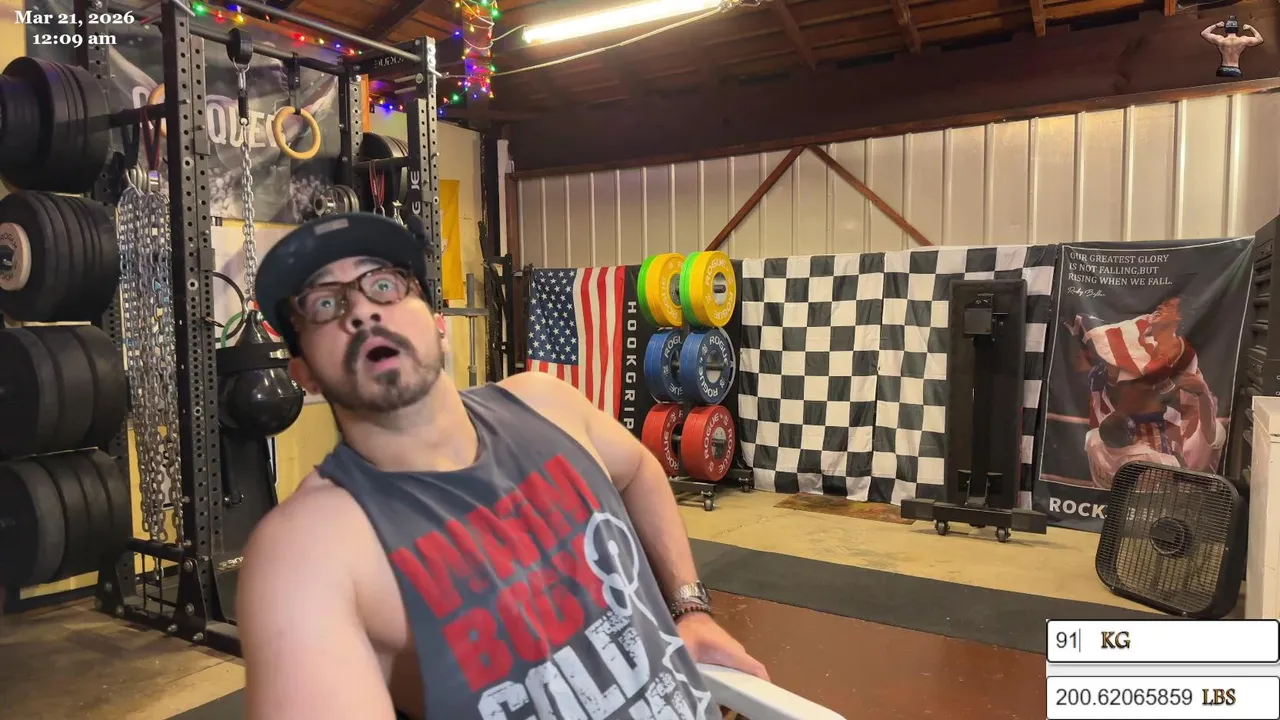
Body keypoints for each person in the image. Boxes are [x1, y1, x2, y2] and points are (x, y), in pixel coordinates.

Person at [238, 213, 766, 720]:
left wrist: (690, 608)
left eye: (383, 286)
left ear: (438, 325)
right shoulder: (310, 550)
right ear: (303, 373)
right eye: (324, 304)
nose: (361, 312)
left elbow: (640, 472)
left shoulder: (545, 403)